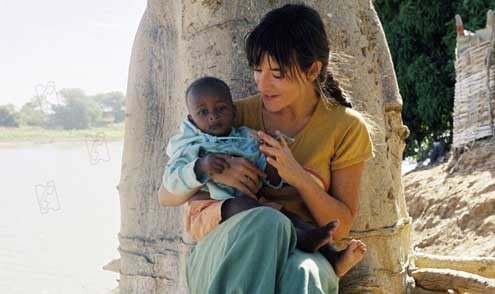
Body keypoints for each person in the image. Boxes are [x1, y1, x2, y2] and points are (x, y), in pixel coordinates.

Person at [158, 3, 374, 293]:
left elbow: (341, 225)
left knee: (302, 275)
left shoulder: (346, 127)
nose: (262, 83)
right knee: (266, 220)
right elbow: (167, 196)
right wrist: (215, 169)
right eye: (258, 70)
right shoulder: (231, 115)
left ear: (312, 70)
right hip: (229, 248)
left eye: (276, 73)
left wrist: (295, 174)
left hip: (304, 250)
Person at [162, 75, 367, 276]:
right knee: (251, 209)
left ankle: (332, 257)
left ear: (234, 112)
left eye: (220, 109)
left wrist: (277, 171)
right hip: (206, 210)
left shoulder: (244, 137)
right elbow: (170, 182)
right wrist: (201, 167)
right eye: (203, 112)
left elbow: (262, 167)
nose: (213, 116)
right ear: (191, 119)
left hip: (253, 208)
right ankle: (300, 238)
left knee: (285, 215)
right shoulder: (190, 145)